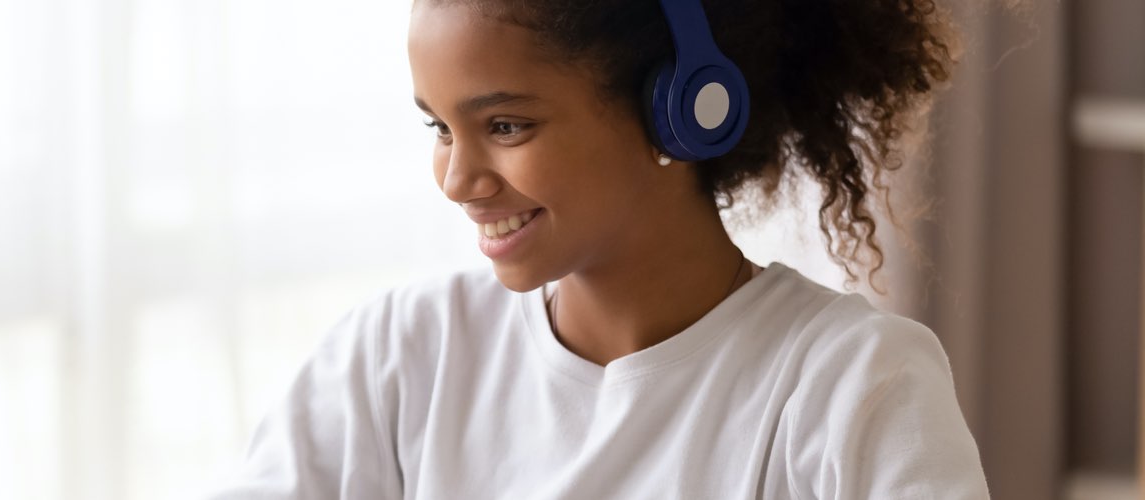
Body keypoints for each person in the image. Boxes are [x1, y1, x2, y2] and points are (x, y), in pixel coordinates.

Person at [210, 0, 988, 497]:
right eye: (439, 128)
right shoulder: (398, 357)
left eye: (506, 126)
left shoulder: (852, 387)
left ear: (683, 113)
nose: (457, 178)